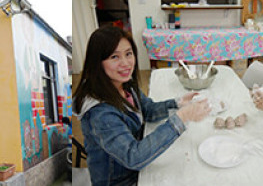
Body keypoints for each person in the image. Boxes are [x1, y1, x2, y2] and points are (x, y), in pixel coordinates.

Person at [73, 26, 210, 186]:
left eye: (128, 54)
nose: (125, 63)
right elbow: (134, 157)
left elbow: (148, 110)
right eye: (114, 57)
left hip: (138, 165)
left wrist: (177, 103)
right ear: (98, 62)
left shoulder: (124, 84)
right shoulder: (101, 114)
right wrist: (181, 118)